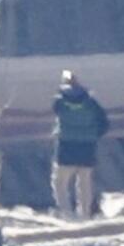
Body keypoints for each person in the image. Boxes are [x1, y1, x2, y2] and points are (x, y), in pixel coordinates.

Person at [51, 69, 111, 219]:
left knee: (60, 182)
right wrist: (94, 136)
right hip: (87, 146)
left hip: (66, 145)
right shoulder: (91, 103)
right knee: (85, 183)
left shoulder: (60, 103)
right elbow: (104, 123)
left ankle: (66, 213)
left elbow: (56, 112)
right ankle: (85, 213)